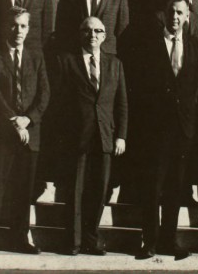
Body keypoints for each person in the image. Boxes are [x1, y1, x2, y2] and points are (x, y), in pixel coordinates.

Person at [135, 0, 198, 261]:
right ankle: (149, 241)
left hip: (183, 128)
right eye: (171, 12)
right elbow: (140, 87)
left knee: (175, 187)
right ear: (163, 14)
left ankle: (168, 239)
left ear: (188, 16)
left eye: (180, 13)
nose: (175, 17)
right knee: (153, 186)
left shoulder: (197, 47)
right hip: (155, 128)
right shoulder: (149, 45)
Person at [52, 17, 127, 256]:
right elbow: (58, 102)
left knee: (100, 190)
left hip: (105, 136)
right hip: (77, 137)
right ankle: (72, 241)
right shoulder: (66, 61)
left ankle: (90, 239)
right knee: (75, 190)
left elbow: (122, 104)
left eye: (98, 31)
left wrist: (121, 136)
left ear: (105, 36)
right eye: (87, 30)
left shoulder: (114, 64)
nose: (92, 34)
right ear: (80, 34)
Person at [0, 7, 50, 255]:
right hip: (4, 132)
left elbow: (45, 93)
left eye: (23, 26)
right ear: (7, 26)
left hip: (30, 133)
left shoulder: (36, 57)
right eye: (14, 25)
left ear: (29, 29)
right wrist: (13, 121)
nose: (18, 30)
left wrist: (28, 120)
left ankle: (20, 238)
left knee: (25, 189)